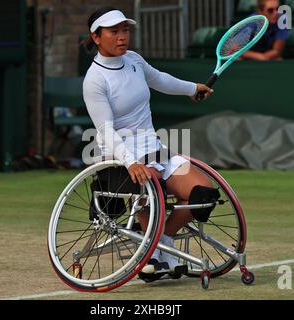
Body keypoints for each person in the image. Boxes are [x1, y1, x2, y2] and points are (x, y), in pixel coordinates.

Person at [82, 7, 214, 278]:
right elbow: (105, 130)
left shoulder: (134, 60)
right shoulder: (94, 80)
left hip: (154, 147)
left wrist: (192, 88)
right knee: (150, 188)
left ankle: (159, 242)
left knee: (203, 194)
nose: (122, 37)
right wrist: (131, 162)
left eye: (125, 30)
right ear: (96, 37)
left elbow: (160, 80)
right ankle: (152, 248)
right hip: (118, 156)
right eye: (114, 31)